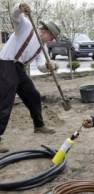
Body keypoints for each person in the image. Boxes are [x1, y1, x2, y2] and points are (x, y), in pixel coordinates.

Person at [0, 3, 60, 153]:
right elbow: (15, 16)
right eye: (51, 36)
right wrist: (20, 7)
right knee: (5, 100)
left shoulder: (43, 46)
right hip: (6, 63)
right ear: (45, 31)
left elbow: (40, 65)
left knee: (33, 95)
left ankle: (39, 125)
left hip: (19, 68)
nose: (52, 40)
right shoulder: (26, 26)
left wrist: (49, 66)